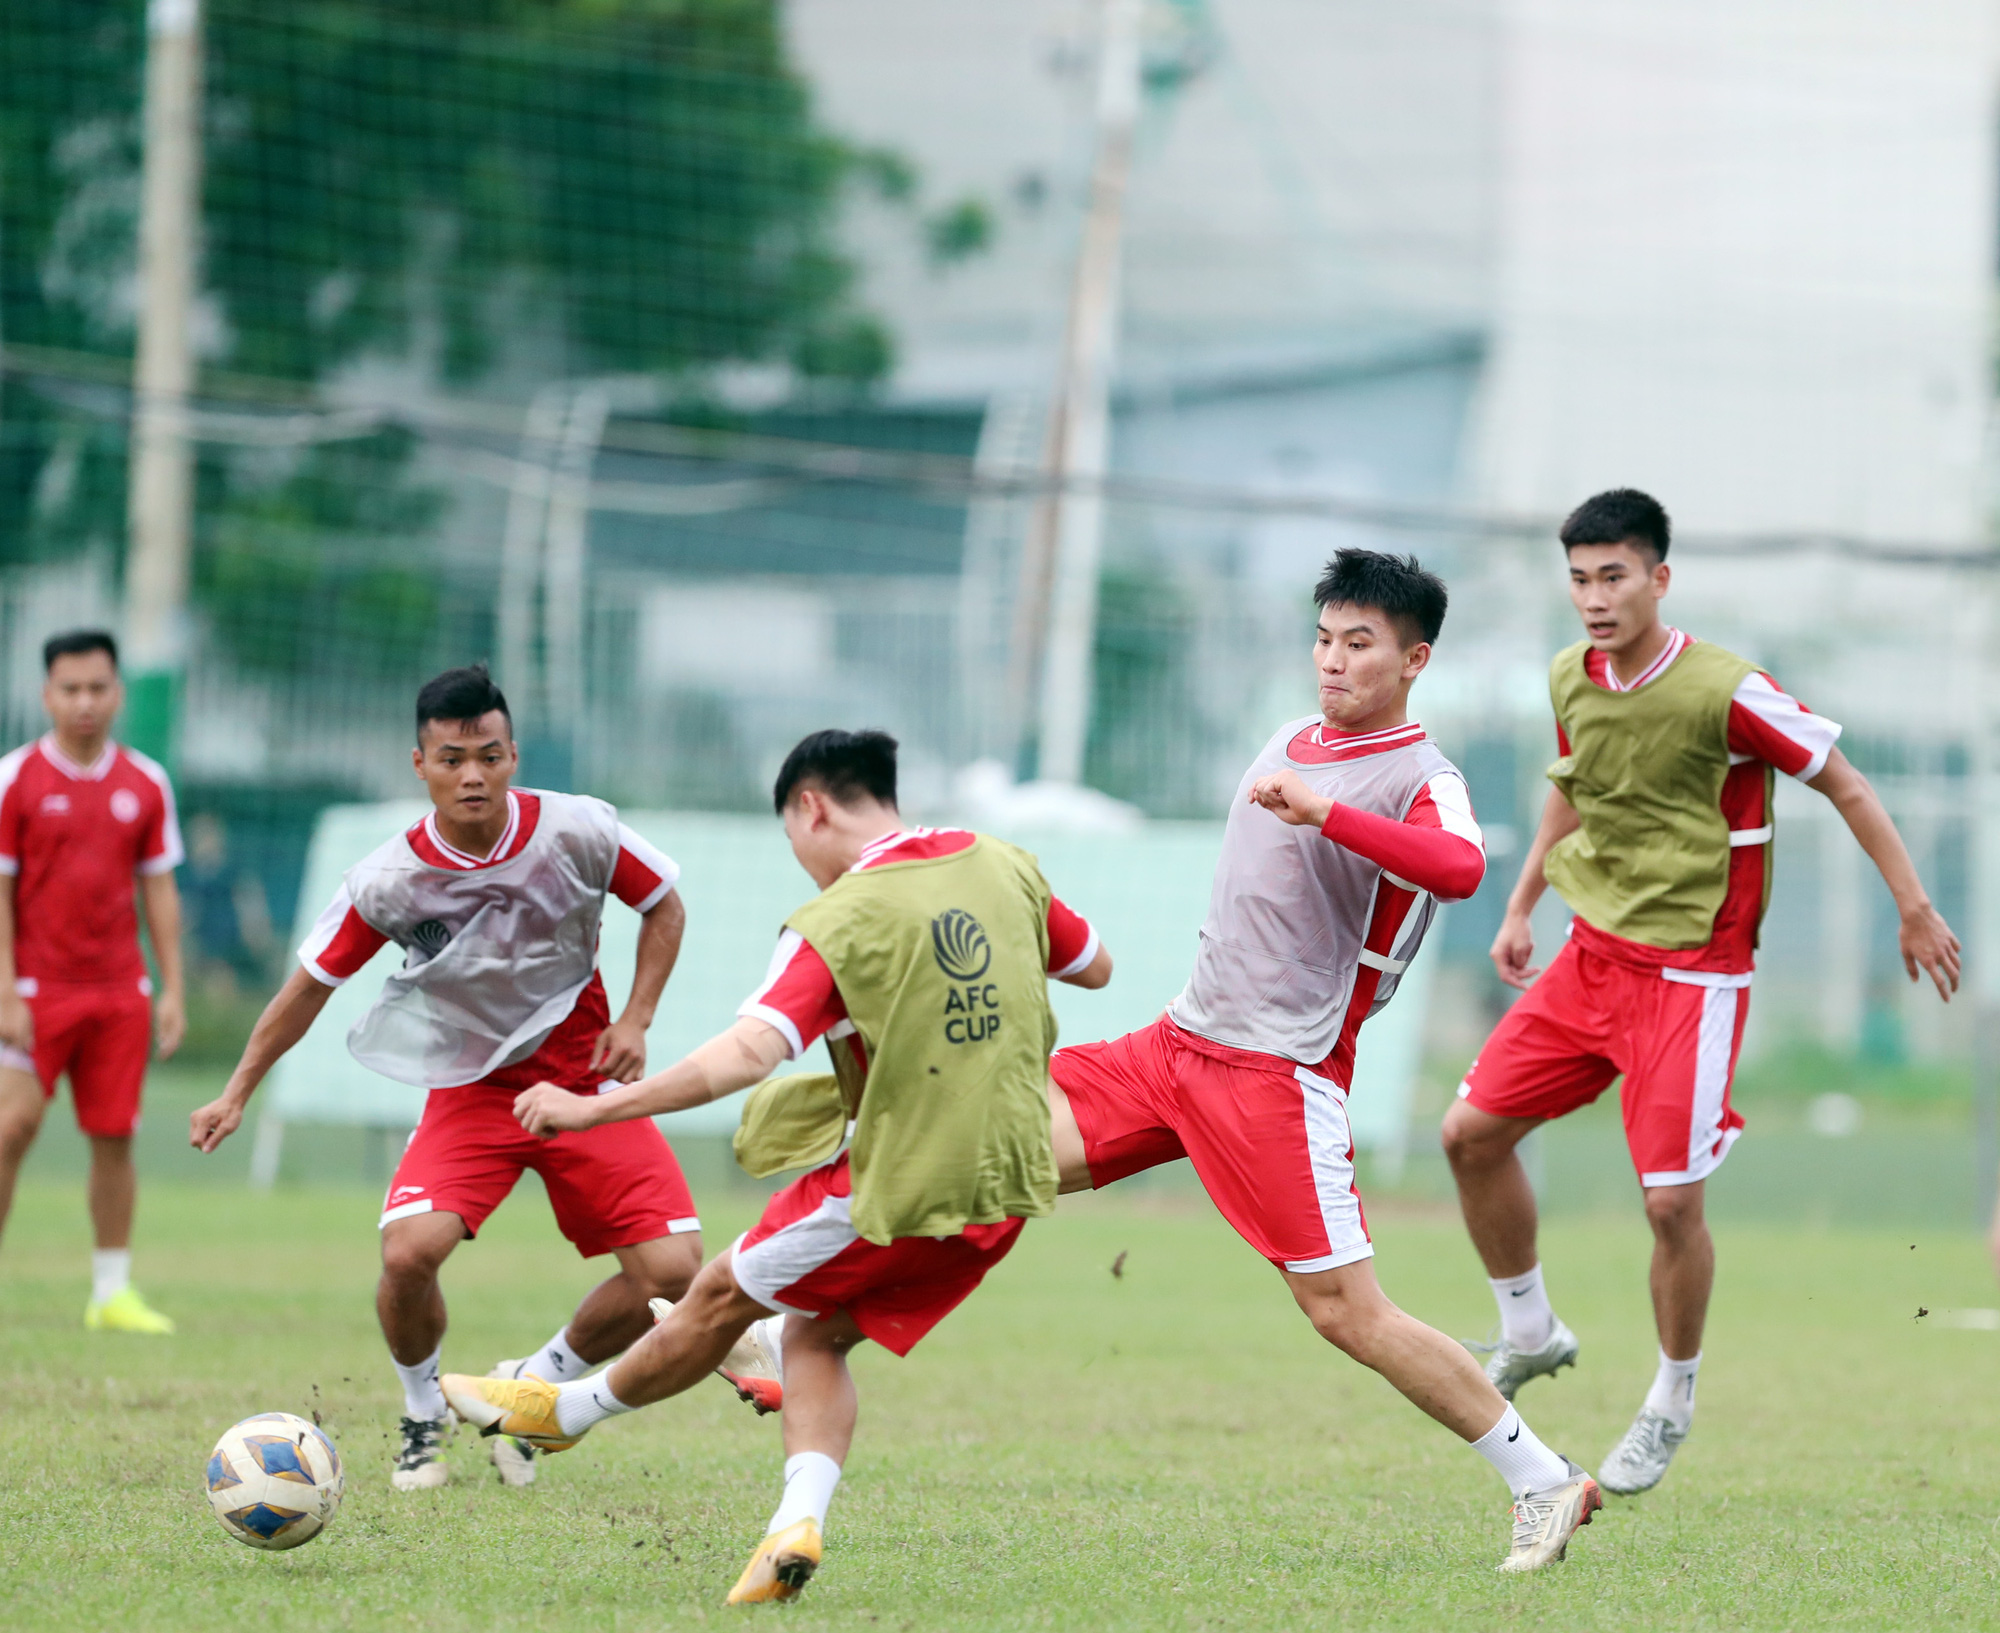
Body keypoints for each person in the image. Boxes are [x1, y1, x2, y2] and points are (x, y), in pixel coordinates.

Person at [441, 727, 1111, 1604]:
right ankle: (795, 1524)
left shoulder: (839, 918)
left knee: (717, 1295)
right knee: (814, 1334)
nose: (798, 859)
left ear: (811, 806)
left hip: (894, 1184)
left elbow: (744, 1056)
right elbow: (1094, 965)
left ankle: (561, 1412)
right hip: (1009, 1184)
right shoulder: (1003, 863)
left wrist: (592, 1104)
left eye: (791, 837)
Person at [1046, 548, 1601, 1574]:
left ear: (1412, 659)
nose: (1332, 660)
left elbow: (1462, 864)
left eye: (1358, 643)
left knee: (1344, 1310)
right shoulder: (1291, 734)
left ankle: (1543, 1480)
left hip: (1273, 1077)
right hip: (1174, 1046)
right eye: (1323, 637)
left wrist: (1327, 812)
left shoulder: (1417, 775)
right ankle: (761, 1321)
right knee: (982, 1152)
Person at [1444, 489, 1961, 1497]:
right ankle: (1529, 1329)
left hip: (1691, 974)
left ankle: (1670, 1397)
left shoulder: (1726, 689)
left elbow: (1845, 783)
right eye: (1579, 579)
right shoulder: (1569, 674)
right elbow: (1571, 778)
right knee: (1467, 1133)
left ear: (1657, 580)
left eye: (1613, 576)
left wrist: (1910, 905)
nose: (1594, 598)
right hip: (1589, 955)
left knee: (1670, 1203)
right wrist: (1519, 903)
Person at [190, 665, 707, 1492]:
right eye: (453, 757)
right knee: (407, 1254)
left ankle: (533, 1385)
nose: (474, 774)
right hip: (473, 1086)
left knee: (675, 1273)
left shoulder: (579, 829)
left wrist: (636, 1018)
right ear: (421, 764)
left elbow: (666, 904)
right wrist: (236, 1089)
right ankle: (424, 1409)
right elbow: (307, 988)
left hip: (583, 1084)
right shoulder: (387, 879)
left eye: (490, 755)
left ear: (512, 756)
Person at [0, 629, 185, 1333]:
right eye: (70, 689)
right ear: (47, 694)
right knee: (9, 1127)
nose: (84, 702)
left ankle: (111, 1291)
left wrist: (172, 987)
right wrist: (5, 989)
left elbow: (159, 891)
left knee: (114, 1137)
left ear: (117, 694)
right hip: (36, 990)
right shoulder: (15, 778)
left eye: (97, 688)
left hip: (118, 992)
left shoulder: (146, 783)